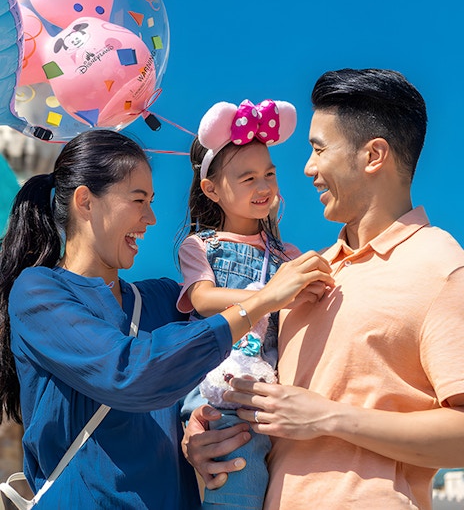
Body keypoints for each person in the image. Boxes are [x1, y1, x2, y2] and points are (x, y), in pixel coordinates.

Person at [0, 128, 333, 510]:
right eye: (139, 200)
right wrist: (263, 299)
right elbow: (128, 373)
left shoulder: (162, 297)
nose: (152, 218)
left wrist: (194, 433)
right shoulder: (39, 292)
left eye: (152, 201)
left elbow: (196, 381)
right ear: (85, 202)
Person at [182, 68, 464, 510]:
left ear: (373, 155)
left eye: (318, 150)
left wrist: (328, 418)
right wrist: (205, 431)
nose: (308, 168)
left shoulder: (442, 266)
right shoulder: (300, 274)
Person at [177, 98, 325, 509]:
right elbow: (203, 300)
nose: (264, 187)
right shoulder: (200, 246)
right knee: (238, 484)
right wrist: (274, 296)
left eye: (269, 174)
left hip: (270, 390)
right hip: (221, 387)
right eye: (248, 178)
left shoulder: (287, 253)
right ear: (212, 190)